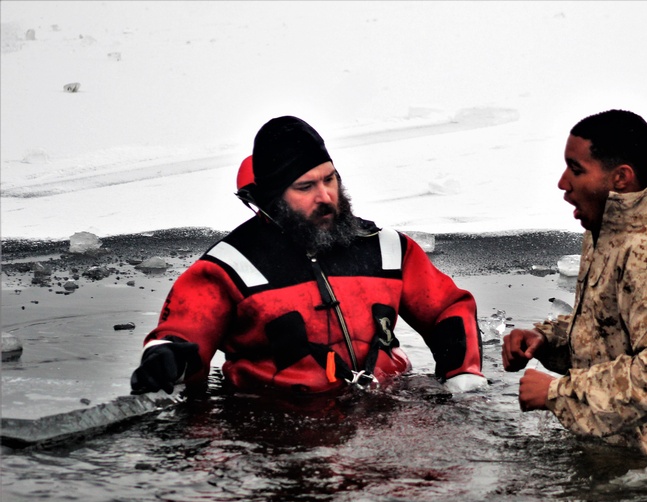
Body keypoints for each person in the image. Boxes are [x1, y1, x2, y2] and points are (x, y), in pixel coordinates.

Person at [130, 116, 487, 396]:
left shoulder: (388, 248)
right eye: (305, 187)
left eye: (329, 180)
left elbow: (447, 308)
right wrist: (166, 357)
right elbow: (183, 333)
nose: (325, 196)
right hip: (277, 430)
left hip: (386, 412)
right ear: (273, 198)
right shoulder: (229, 267)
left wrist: (463, 374)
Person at [502, 109, 647, 457]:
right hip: (615, 454)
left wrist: (558, 394)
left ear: (620, 178)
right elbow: (607, 334)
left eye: (576, 170)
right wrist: (545, 341)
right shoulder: (605, 232)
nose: (563, 183)